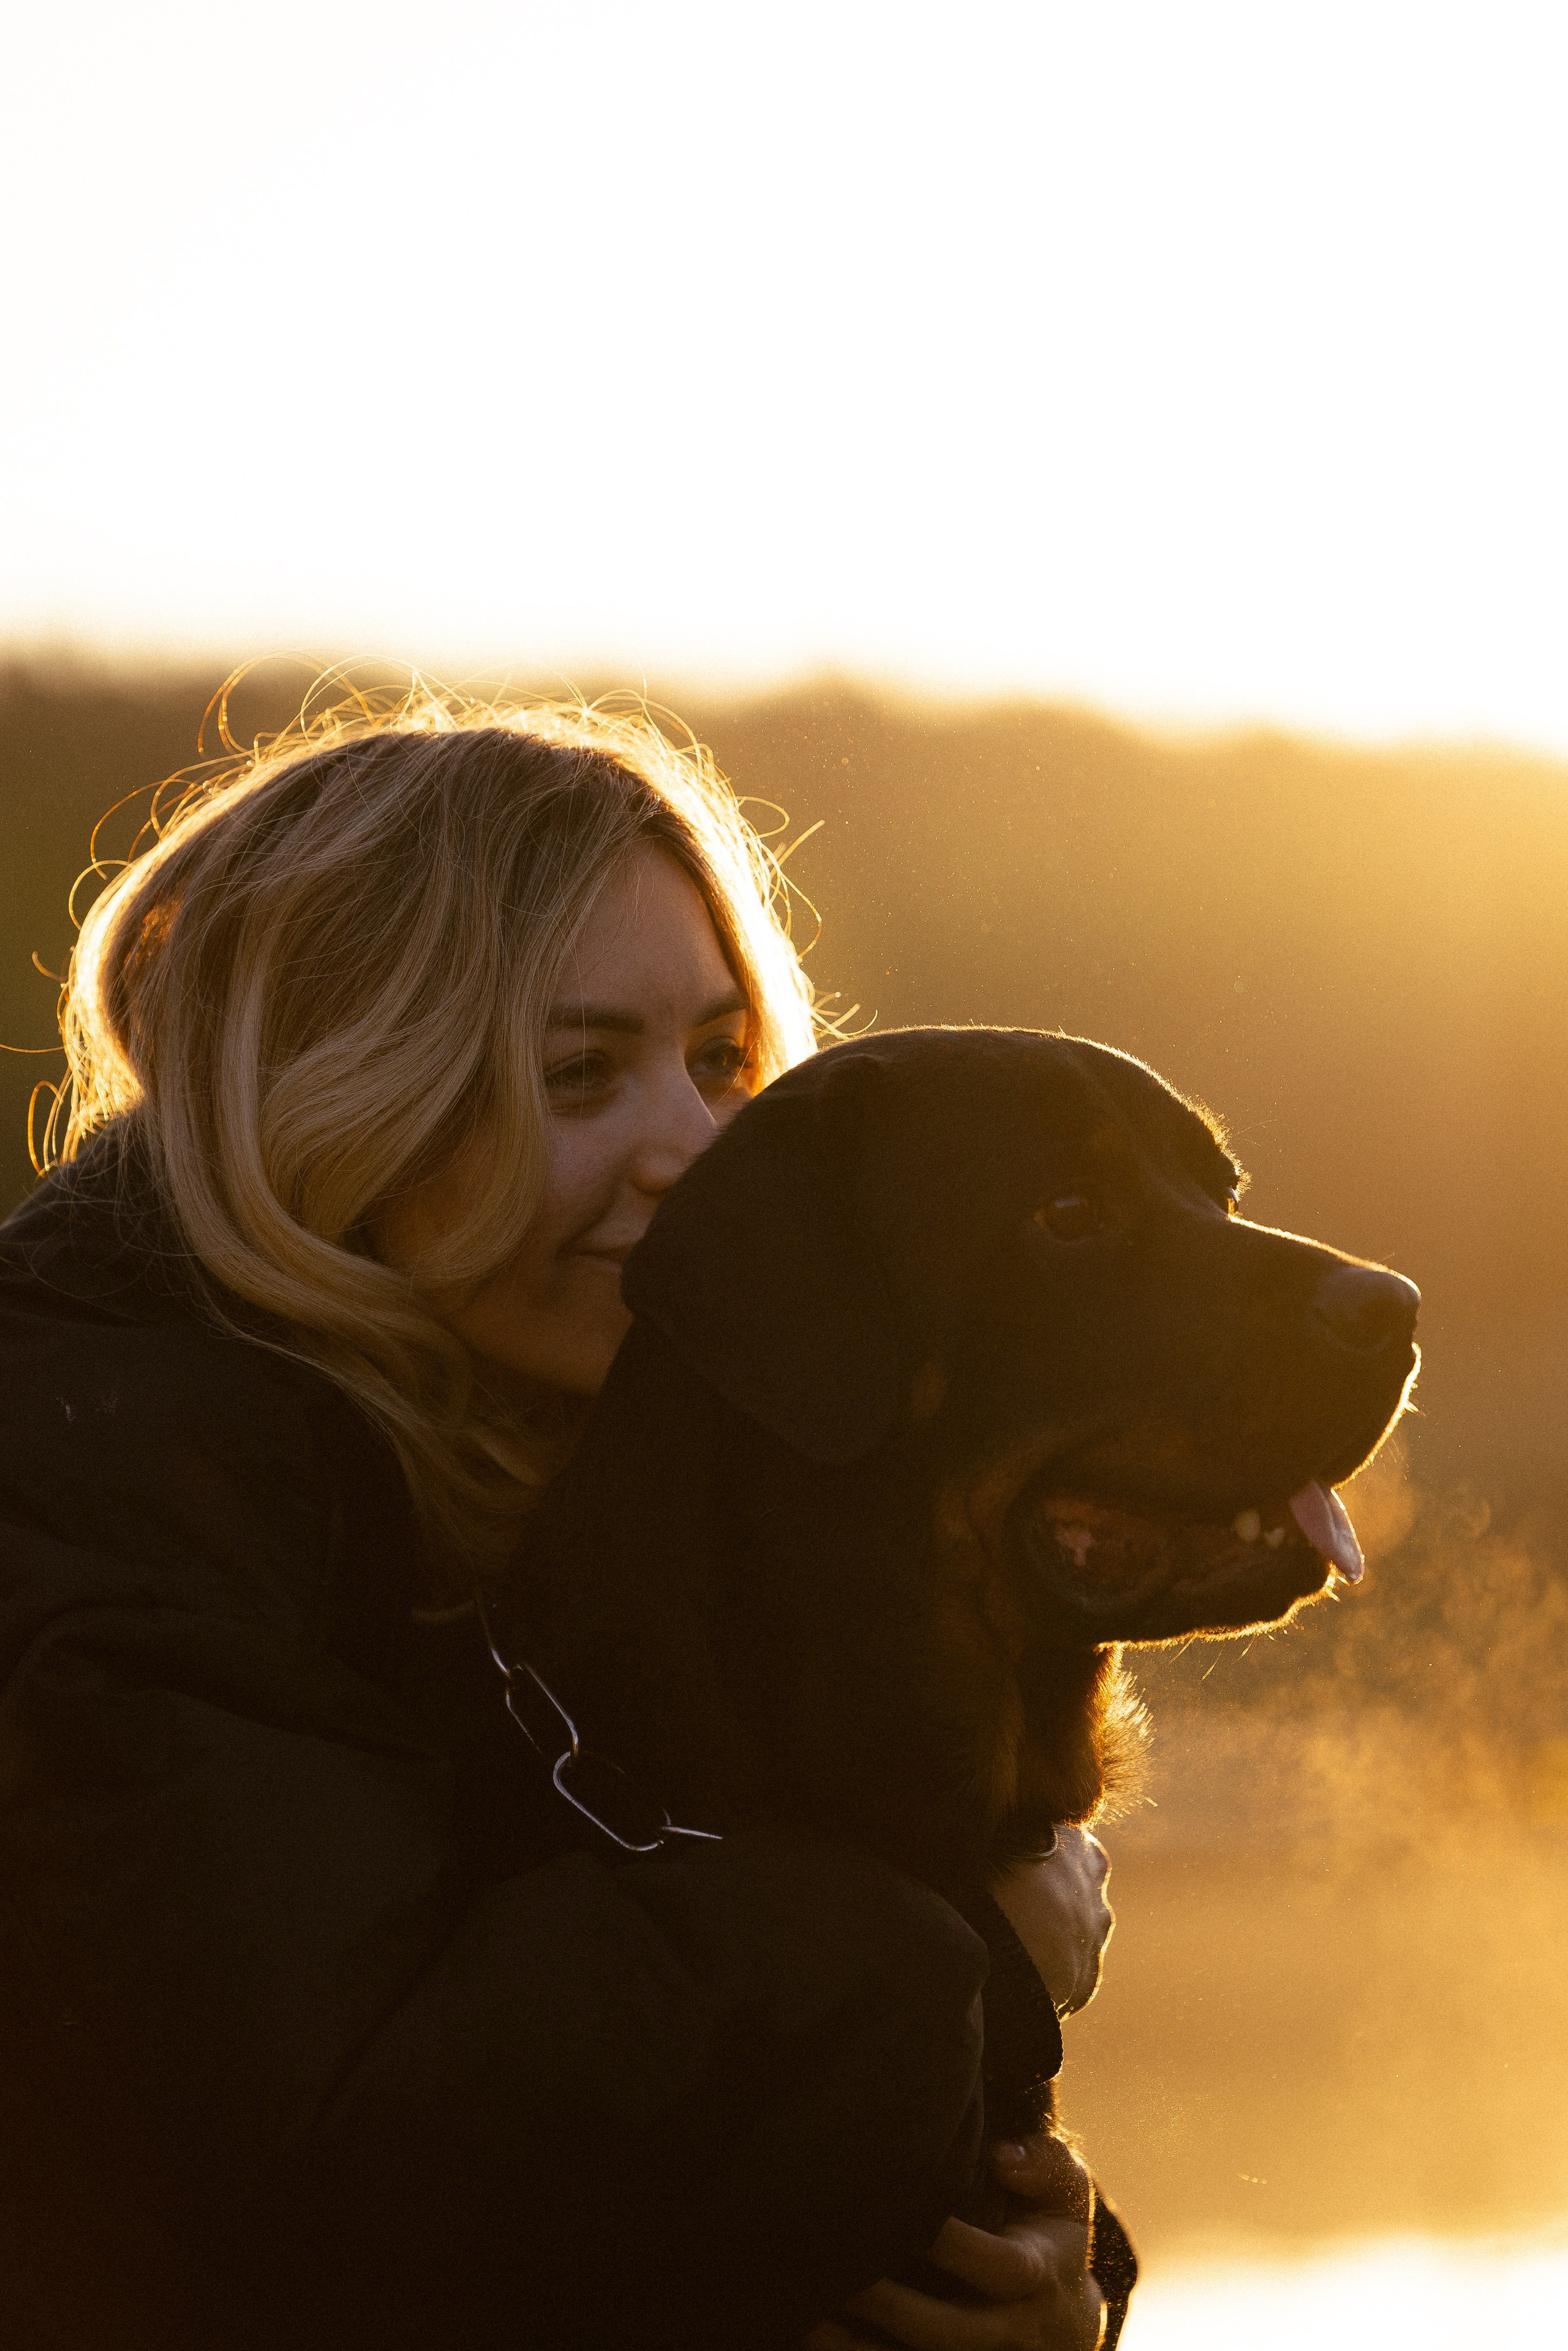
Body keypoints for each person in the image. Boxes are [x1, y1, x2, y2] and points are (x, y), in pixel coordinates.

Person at [0, 684, 1120, 2349]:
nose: (700, 1150)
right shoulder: (89, 1489)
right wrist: (966, 1945)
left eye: (724, 1063)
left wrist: (1034, 2282)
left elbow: (643, 2138)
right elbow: (367, 2173)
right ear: (337, 1092)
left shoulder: (544, 1472)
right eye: (582, 1073)